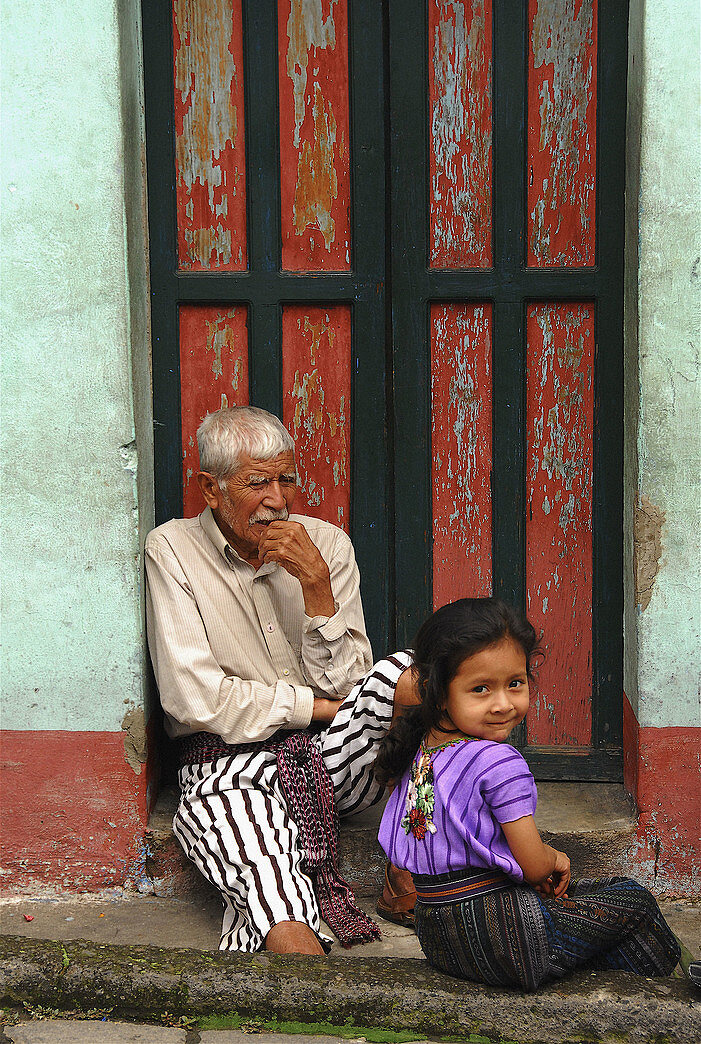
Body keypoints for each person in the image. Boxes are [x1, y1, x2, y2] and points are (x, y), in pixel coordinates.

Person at [145, 405, 417, 955]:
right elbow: (195, 700)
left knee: (406, 675)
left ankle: (412, 858)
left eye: (285, 479)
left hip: (330, 761)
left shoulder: (328, 546)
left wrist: (317, 586)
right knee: (280, 905)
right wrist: (316, 709)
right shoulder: (172, 550)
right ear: (211, 490)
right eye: (257, 483)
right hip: (224, 767)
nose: (278, 500)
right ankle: (302, 967)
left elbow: (358, 685)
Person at [375, 598, 681, 991]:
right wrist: (556, 856)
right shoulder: (498, 761)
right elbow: (536, 868)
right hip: (505, 939)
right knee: (633, 901)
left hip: (439, 939)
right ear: (438, 692)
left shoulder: (421, 749)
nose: (503, 703)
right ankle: (670, 995)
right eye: (481, 688)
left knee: (593, 900)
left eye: (515, 684)